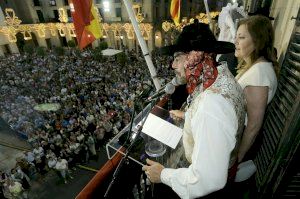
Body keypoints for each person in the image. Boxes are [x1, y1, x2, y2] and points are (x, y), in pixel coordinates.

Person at [142, 21, 246, 198]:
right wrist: (188, 116)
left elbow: (207, 178)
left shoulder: (211, 104)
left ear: (194, 57)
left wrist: (162, 175)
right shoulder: (220, 77)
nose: (172, 66)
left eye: (177, 58)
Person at [235, 15, 278, 164]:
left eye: (241, 37)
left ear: (257, 41)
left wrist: (236, 159)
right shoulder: (255, 68)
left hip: (241, 143)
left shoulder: (259, 74)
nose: (236, 42)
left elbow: (253, 125)